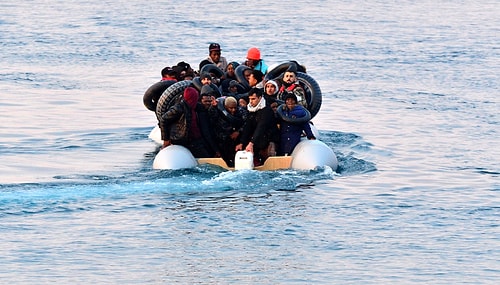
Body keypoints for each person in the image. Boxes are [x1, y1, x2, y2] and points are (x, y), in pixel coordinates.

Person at [159, 87, 215, 158]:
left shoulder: (194, 107)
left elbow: (204, 108)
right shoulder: (178, 108)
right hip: (183, 139)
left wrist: (213, 106)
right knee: (204, 155)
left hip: (194, 138)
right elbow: (163, 120)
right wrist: (166, 140)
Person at [235, 88, 279, 166]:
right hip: (257, 138)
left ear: (260, 98)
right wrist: (242, 142)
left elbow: (261, 127)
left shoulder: (266, 110)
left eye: (253, 99)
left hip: (269, 138)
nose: (251, 101)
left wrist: (251, 143)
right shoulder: (250, 109)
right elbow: (247, 127)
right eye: (250, 99)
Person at [212, 96, 246, 167]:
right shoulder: (218, 111)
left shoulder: (240, 111)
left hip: (236, 139)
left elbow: (246, 123)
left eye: (235, 108)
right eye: (231, 108)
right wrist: (213, 107)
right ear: (225, 106)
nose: (233, 110)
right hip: (222, 139)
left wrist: (238, 131)